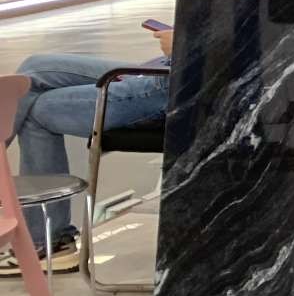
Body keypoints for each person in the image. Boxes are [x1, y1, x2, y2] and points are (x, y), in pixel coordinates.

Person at [1, 24, 172, 276]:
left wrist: (182, 43)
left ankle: (45, 243)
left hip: (169, 86)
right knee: (34, 67)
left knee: (37, 110)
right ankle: (46, 242)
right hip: (165, 69)